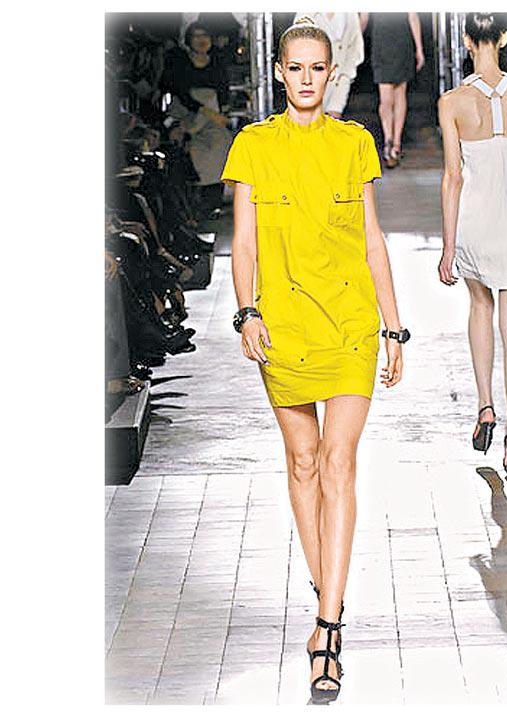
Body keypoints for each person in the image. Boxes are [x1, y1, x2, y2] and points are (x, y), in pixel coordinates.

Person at [221, 18, 408, 704]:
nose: (306, 78)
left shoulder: (354, 143)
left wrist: (394, 328)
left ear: (332, 74)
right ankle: (328, 589)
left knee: (338, 461)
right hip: (285, 326)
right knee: (302, 462)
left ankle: (328, 627)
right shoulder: (254, 145)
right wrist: (247, 311)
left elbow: (373, 240)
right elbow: (243, 242)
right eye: (295, 67)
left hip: (351, 323)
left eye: (316, 68)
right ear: (279, 72)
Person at [437, 12, 507, 479]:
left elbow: (453, 177)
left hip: (476, 223)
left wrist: (448, 247)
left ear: (466, 41)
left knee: (480, 309)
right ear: (502, 38)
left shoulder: (452, 102)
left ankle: (485, 407)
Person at [161, 21, 232, 220]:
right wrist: (206, 112)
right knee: (191, 149)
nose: (201, 40)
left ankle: (212, 202)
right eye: (196, 36)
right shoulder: (181, 63)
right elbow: (182, 93)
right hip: (188, 112)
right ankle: (192, 204)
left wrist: (221, 113)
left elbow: (223, 92)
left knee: (221, 142)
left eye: (205, 36)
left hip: (211, 115)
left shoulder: (217, 62)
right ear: (188, 40)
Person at [361, 12, 425, 168]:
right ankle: (389, 141)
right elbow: (364, 18)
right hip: (382, 43)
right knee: (386, 98)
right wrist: (354, 42)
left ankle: (395, 144)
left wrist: (419, 48)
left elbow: (413, 16)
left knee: (399, 94)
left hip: (401, 42)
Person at [292, 12, 364, 118]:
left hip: (339, 81)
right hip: (310, 82)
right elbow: (296, 48)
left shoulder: (350, 14)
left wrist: (345, 78)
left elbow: (354, 49)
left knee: (334, 120)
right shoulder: (306, 13)